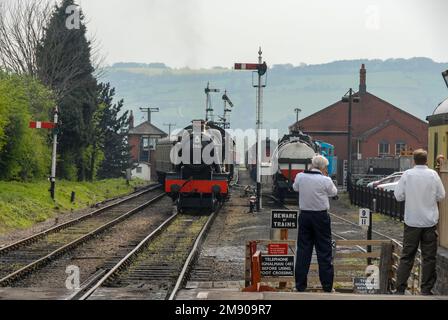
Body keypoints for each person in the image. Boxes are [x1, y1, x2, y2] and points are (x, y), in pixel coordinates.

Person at [394, 149, 445, 295]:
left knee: (407, 256)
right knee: (429, 257)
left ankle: (400, 288)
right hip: (429, 223)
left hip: (412, 222)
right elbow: (441, 195)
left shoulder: (407, 175)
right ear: (426, 160)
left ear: (413, 160)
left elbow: (398, 196)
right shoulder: (433, 175)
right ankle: (426, 290)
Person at [292, 155, 338, 292]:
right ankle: (327, 286)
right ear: (323, 167)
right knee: (324, 251)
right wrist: (325, 176)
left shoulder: (300, 176)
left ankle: (300, 285)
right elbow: (334, 192)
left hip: (305, 216)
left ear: (312, 164)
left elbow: (295, 188)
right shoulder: (325, 180)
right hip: (321, 217)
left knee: (303, 251)